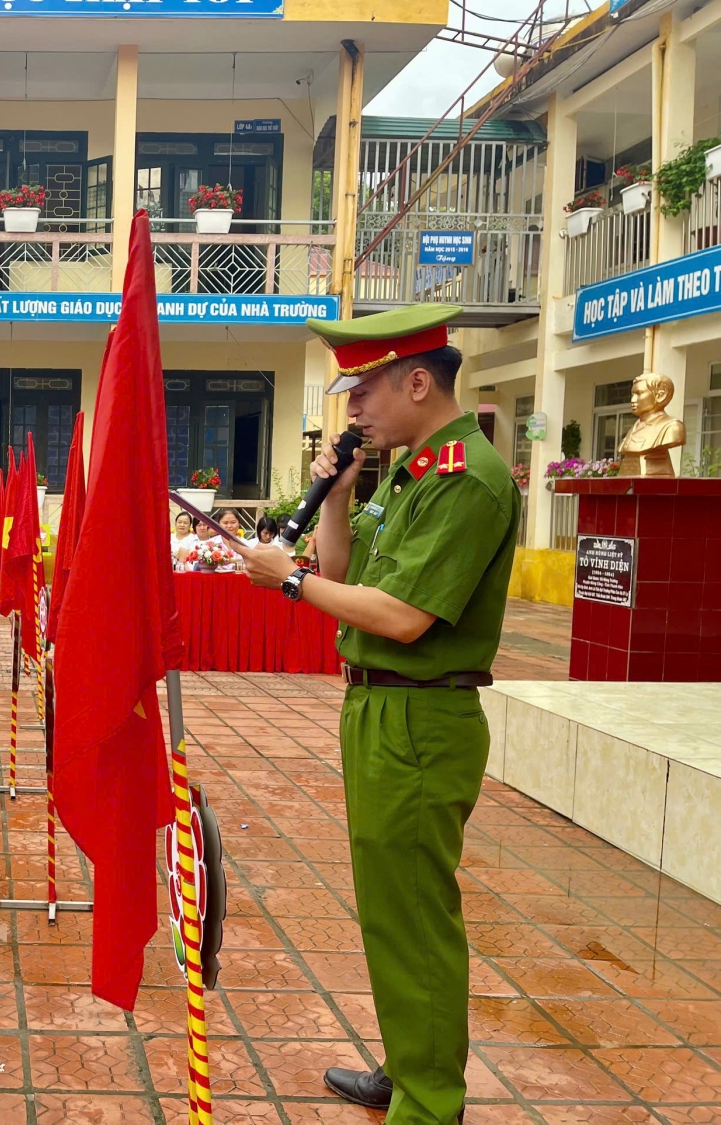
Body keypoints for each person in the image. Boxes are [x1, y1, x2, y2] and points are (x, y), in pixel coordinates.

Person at [231, 304, 518, 1125]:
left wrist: (289, 580)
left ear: (418, 382)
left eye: (364, 390)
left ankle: (429, 1104)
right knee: (391, 910)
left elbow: (403, 617)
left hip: (421, 716)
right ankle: (409, 1066)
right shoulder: (408, 470)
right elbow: (347, 570)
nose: (352, 408)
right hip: (379, 707)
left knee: (416, 914)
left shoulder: (466, 477)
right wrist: (334, 498)